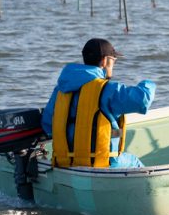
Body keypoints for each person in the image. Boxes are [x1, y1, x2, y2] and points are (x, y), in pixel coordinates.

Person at [41, 38, 156, 168]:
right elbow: (143, 100)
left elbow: (48, 125)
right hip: (103, 163)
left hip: (66, 162)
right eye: (114, 61)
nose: (113, 65)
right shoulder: (107, 90)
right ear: (105, 60)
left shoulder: (61, 90)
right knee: (133, 161)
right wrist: (149, 83)